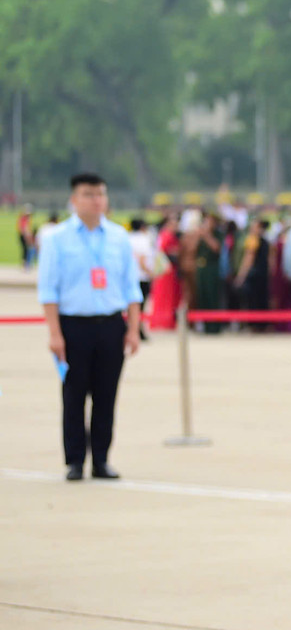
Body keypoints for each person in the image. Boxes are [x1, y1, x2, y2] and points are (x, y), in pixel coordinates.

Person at [37, 173, 143, 481]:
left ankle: (101, 459)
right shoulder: (57, 239)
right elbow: (48, 290)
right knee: (74, 395)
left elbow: (131, 288)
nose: (96, 200)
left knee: (106, 395)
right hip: (74, 326)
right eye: (88, 194)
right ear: (74, 199)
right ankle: (74, 460)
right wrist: (55, 333)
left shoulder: (118, 237)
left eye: (100, 194)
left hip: (110, 325)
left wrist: (133, 329)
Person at [147, 215, 182, 331]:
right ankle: (164, 321)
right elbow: (163, 251)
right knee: (165, 296)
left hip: (168, 270)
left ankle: (167, 321)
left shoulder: (165, 235)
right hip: (167, 270)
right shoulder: (166, 235)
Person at [232, 218, 272, 316]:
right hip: (263, 276)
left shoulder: (252, 240)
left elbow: (248, 259)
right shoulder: (265, 241)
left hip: (253, 277)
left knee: (253, 303)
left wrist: (240, 277)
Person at [18, 204, 35, 269]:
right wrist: (27, 236)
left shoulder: (25, 218)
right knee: (26, 249)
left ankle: (26, 263)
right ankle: (25, 263)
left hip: (25, 235)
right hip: (24, 235)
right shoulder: (24, 218)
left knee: (26, 249)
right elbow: (24, 228)